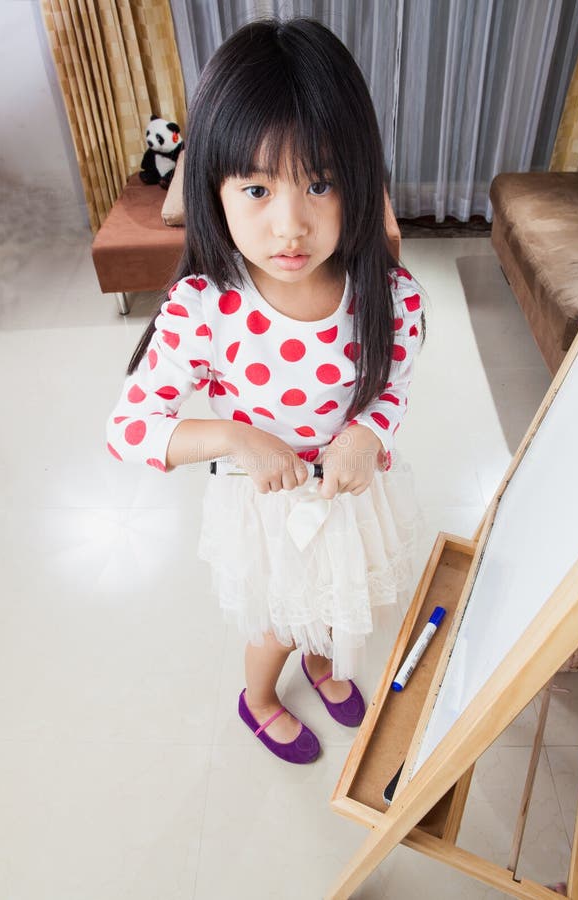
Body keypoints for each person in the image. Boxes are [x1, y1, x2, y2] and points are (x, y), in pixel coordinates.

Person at [106, 17, 425, 765]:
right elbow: (129, 428)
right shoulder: (203, 310)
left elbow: (396, 379)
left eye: (320, 183)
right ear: (215, 190)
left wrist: (367, 433)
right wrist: (235, 437)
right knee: (278, 622)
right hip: (267, 507)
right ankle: (259, 697)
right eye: (256, 188)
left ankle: (321, 663)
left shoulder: (385, 292)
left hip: (346, 491)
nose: (290, 226)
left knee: (342, 604)